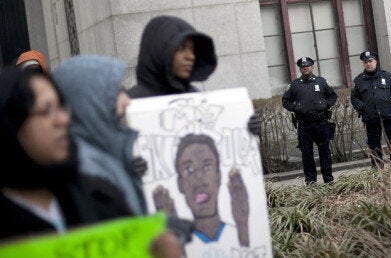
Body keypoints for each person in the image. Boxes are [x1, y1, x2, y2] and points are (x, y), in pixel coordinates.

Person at [0, 67, 183, 257]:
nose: (62, 120)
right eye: (46, 111)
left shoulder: (98, 196)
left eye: (61, 107)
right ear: (10, 125)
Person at [128, 15, 261, 136]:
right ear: (159, 50)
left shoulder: (195, 98)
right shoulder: (129, 104)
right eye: (181, 48)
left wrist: (244, 129)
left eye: (192, 49)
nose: (190, 56)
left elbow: (215, 142)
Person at [51, 55, 145, 215]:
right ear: (89, 102)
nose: (127, 101)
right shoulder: (85, 173)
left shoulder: (104, 151)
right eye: (115, 93)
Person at [152, 134, 250, 254]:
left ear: (219, 176)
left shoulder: (239, 234)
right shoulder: (177, 244)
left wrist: (243, 227)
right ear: (180, 184)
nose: (199, 179)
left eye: (207, 166)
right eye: (189, 169)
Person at [282, 57, 337, 185]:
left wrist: (325, 105)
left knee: (325, 152)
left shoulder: (321, 82)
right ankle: (311, 181)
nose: (306, 68)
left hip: (321, 123)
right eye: (303, 66)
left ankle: (328, 179)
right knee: (307, 154)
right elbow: (285, 101)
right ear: (300, 69)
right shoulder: (294, 85)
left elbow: (332, 96)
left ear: (312, 67)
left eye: (308, 66)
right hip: (304, 124)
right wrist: (296, 108)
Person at [350, 51, 391, 168]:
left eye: (370, 61)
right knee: (374, 146)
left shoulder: (386, 76)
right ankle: (378, 169)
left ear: (375, 62)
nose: (368, 64)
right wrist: (363, 107)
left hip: (388, 116)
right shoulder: (358, 80)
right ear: (363, 64)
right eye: (365, 62)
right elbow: (354, 98)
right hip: (371, 118)